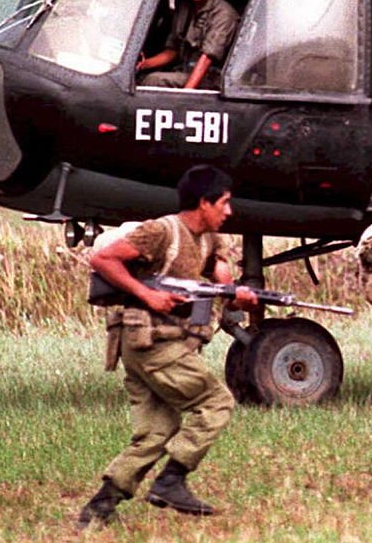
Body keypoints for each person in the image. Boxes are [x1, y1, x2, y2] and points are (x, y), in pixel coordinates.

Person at [77, 165, 256, 528]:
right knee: (216, 402)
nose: (229, 211)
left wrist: (237, 297)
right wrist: (146, 293)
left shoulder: (209, 239)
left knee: (157, 431)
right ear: (203, 202)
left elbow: (221, 282)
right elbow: (102, 259)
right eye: (223, 203)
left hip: (163, 345)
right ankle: (170, 481)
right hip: (150, 341)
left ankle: (98, 509)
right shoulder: (161, 231)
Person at [138, 0, 239, 90]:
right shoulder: (184, 8)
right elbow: (173, 51)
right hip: (184, 70)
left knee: (154, 80)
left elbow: (207, 58)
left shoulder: (224, 13)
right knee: (140, 78)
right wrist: (144, 65)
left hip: (211, 78)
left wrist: (186, 94)